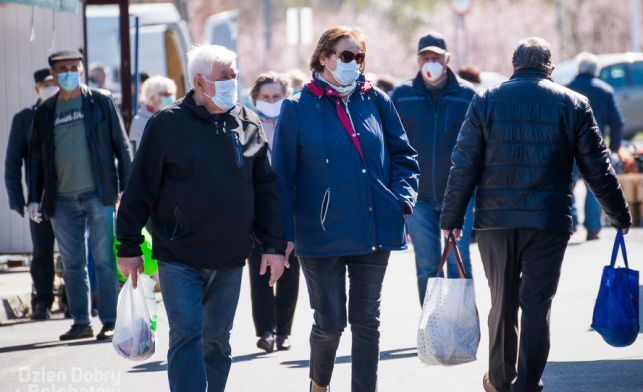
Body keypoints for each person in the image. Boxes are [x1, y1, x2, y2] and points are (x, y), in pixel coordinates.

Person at [439, 37, 631, 392]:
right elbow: (597, 168)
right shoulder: (574, 104)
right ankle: (527, 382)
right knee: (537, 304)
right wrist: (618, 214)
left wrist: (450, 219)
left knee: (502, 300)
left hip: (496, 222)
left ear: (514, 65)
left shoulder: (486, 101)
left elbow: (463, 164)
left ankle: (498, 378)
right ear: (550, 68)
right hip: (548, 221)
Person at [115, 44, 286, 392]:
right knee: (187, 334)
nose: (232, 83)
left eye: (234, 76)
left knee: (218, 342)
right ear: (199, 81)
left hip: (230, 257)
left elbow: (266, 188)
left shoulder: (247, 121)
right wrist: (128, 246)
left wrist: (273, 245)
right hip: (180, 255)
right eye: (224, 77)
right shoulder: (167, 124)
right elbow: (139, 189)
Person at [273, 27, 419, 392]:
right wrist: (282, 237)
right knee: (330, 323)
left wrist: (402, 198)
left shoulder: (377, 100)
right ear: (324, 57)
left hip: (374, 227)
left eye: (359, 57)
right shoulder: (295, 107)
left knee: (367, 320)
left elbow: (404, 156)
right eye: (346, 55)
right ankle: (319, 384)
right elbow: (282, 178)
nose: (355, 63)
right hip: (320, 233)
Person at [28, 50, 132, 341]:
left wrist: (127, 189)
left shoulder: (100, 101)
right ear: (54, 74)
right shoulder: (45, 111)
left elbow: (121, 146)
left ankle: (110, 320)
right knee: (72, 262)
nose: (70, 72)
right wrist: (34, 196)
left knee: (103, 259)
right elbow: (36, 157)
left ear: (83, 70)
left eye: (75, 67)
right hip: (60, 198)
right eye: (64, 69)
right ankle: (80, 321)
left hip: (98, 193)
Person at [390, 31, 476, 305]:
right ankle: (433, 326)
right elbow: (390, 142)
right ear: (417, 60)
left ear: (447, 58)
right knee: (427, 266)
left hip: (459, 196)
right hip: (418, 198)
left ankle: (462, 328)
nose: (431, 62)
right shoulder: (402, 96)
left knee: (458, 262)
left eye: (436, 57)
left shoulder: (467, 96)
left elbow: (479, 144)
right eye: (425, 57)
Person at [248, 71, 300, 352]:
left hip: (290, 207)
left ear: (286, 97)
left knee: (290, 270)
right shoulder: (247, 124)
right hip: (258, 209)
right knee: (260, 271)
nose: (270, 101)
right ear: (255, 98)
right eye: (265, 97)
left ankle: (284, 331)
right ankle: (265, 330)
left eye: (276, 96)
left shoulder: (294, 124)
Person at [4, 68, 58, 320]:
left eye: (53, 82)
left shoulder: (68, 111)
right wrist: (18, 200)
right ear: (36, 87)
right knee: (42, 252)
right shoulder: (25, 118)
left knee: (75, 252)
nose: (51, 87)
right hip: (39, 197)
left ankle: (75, 298)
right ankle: (42, 300)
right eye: (45, 84)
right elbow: (12, 162)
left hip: (72, 192)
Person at [566, 52, 626, 241]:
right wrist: (614, 147)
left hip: (569, 146)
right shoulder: (605, 90)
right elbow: (618, 122)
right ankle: (593, 227)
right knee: (595, 187)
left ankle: (571, 221)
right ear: (596, 71)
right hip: (594, 147)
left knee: (567, 185)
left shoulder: (566, 89)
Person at [129, 75, 177, 153]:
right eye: (165, 95)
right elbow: (138, 152)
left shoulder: (174, 118)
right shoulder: (139, 121)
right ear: (151, 96)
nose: (169, 98)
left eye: (171, 94)